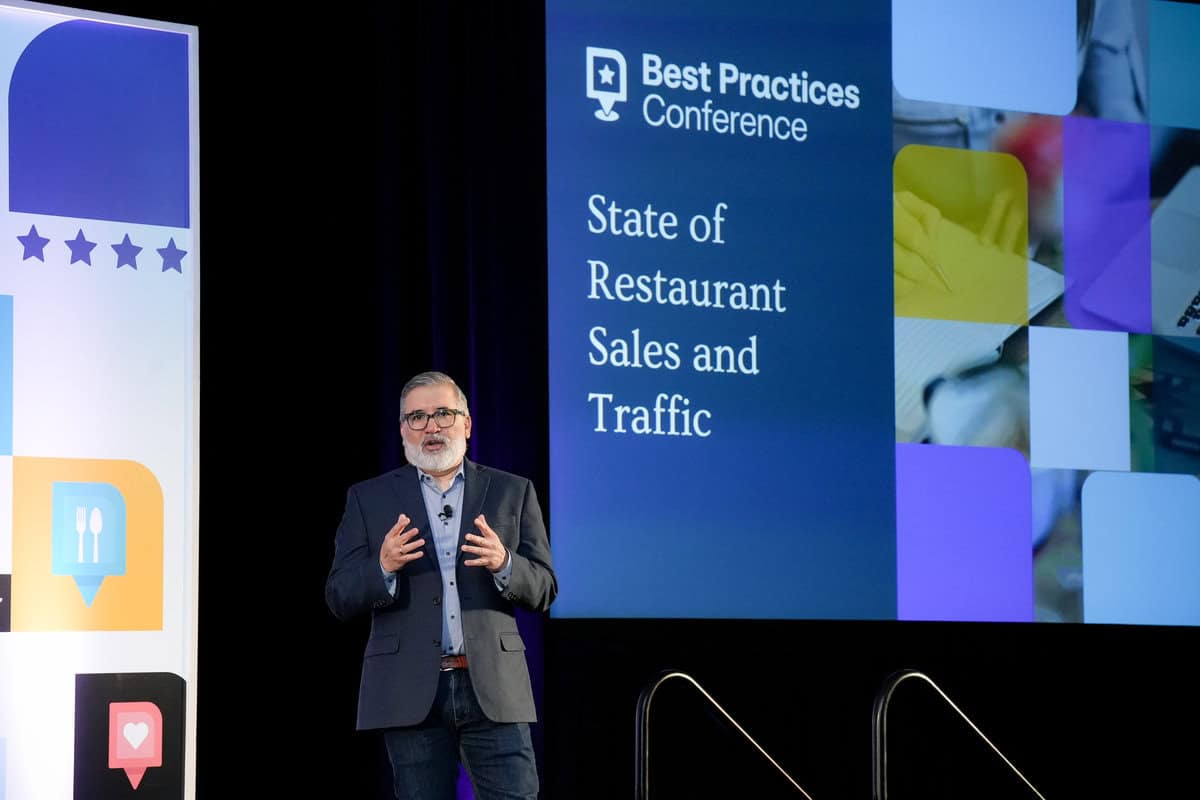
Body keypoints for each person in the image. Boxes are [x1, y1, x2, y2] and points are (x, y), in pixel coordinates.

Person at [325, 370, 557, 800]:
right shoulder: (369, 499)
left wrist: (504, 563)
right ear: (402, 431)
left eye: (443, 414)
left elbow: (544, 587)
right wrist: (383, 567)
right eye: (417, 417)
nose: (431, 426)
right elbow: (339, 595)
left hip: (494, 687)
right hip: (410, 691)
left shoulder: (512, 491)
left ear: (466, 423)